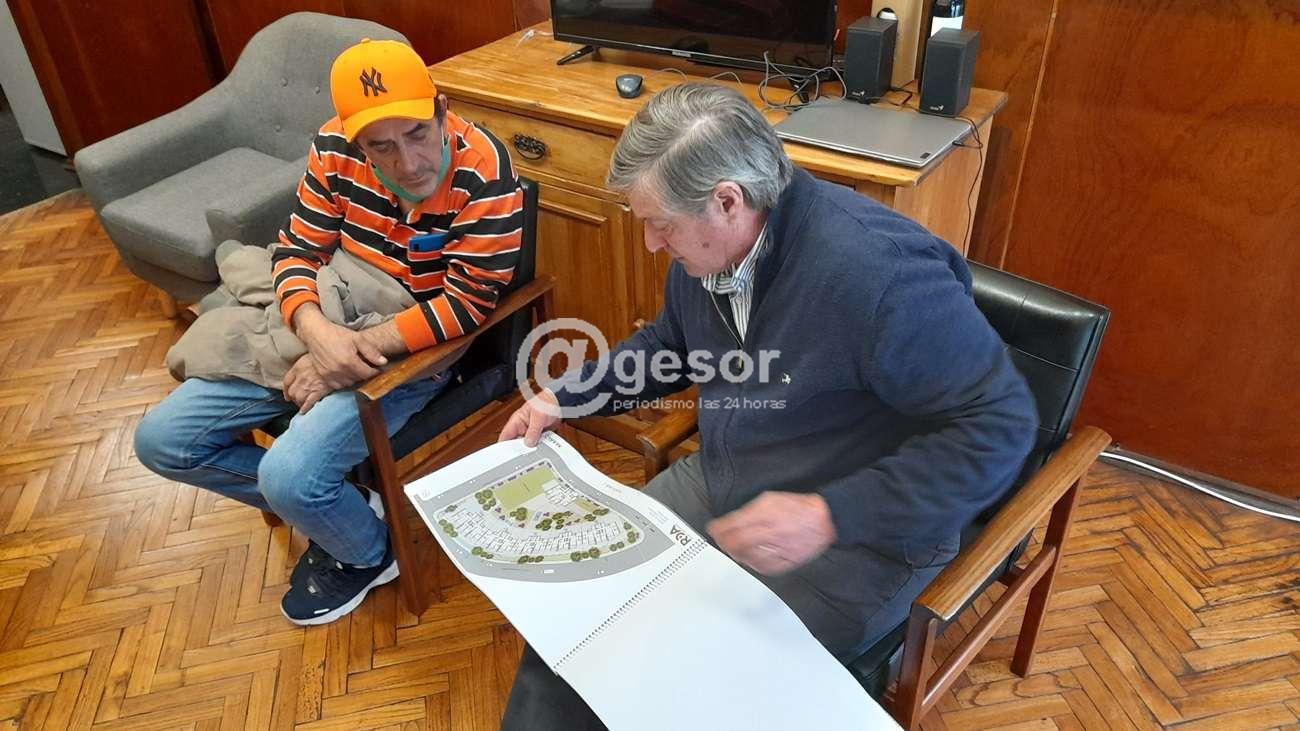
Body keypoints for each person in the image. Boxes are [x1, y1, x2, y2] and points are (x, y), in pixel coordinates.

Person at [496, 83, 1038, 728]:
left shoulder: (882, 277)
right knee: (577, 631)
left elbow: (1000, 426)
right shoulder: (708, 252)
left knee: (692, 689)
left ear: (728, 200)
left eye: (660, 224)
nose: (650, 243)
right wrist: (568, 394)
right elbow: (672, 345)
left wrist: (829, 514)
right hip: (729, 475)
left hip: (858, 537)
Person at [134, 39, 524, 625]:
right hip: (324, 313)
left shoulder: (485, 171)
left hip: (415, 346)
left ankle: (366, 553)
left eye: (417, 134)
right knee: (162, 442)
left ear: (441, 111)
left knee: (289, 478)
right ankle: (348, 509)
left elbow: (465, 305)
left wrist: (345, 356)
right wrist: (317, 334)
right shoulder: (332, 146)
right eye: (380, 146)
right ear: (353, 138)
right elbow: (296, 251)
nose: (408, 163)